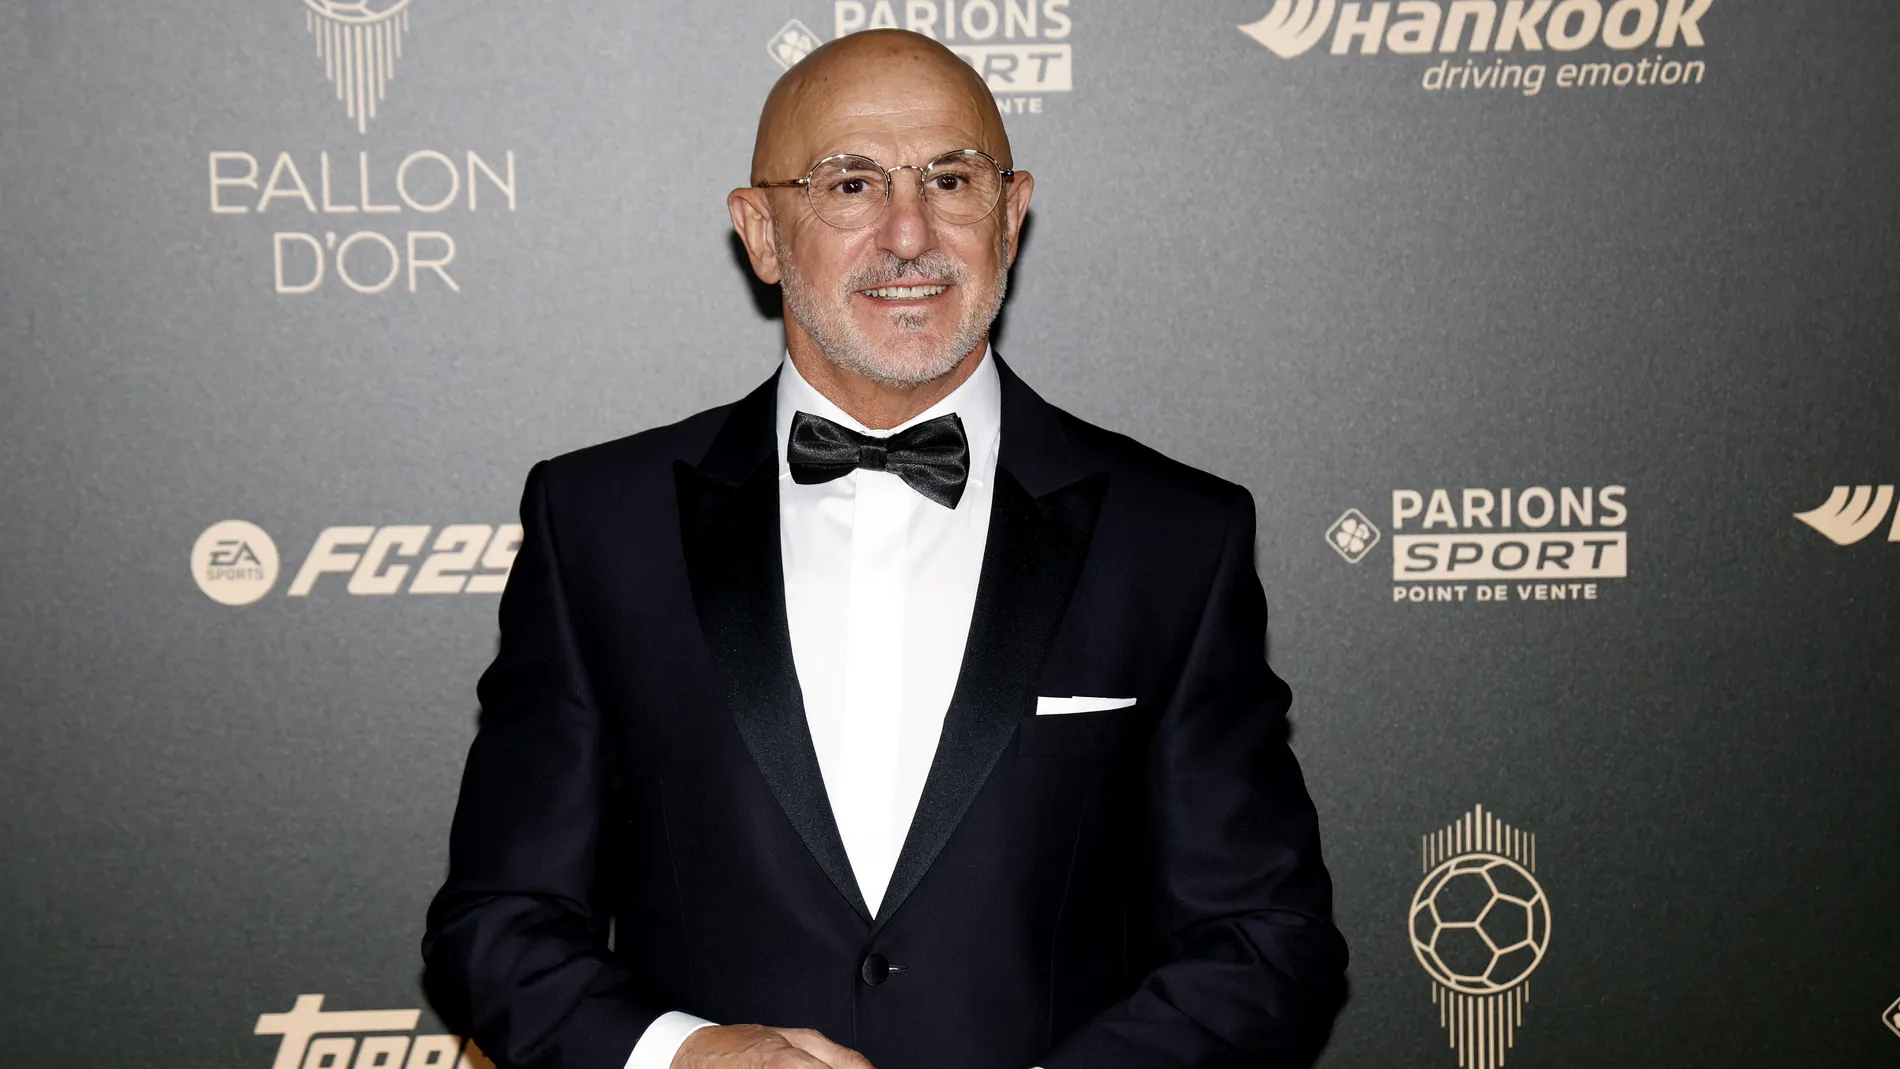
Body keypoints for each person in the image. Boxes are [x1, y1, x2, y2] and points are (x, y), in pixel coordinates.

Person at [423, 28, 1347, 1069]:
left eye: (951, 179)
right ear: (762, 233)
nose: (910, 233)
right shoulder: (597, 522)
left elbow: (1265, 941)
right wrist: (680, 1057)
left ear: (1010, 214)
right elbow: (498, 922)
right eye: (850, 183)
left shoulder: (1175, 535)